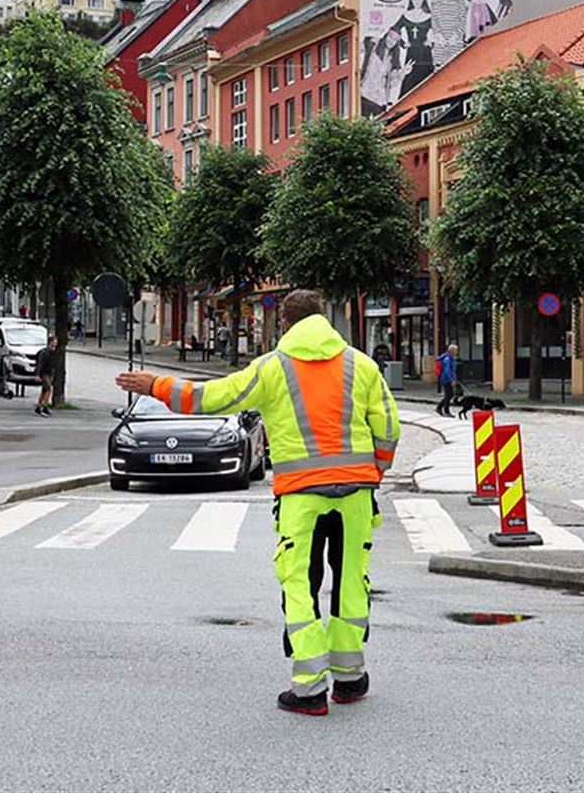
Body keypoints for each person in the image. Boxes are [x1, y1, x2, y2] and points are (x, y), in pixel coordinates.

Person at [115, 289, 400, 716]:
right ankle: (350, 677)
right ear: (322, 318)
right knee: (351, 578)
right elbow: (388, 427)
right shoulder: (361, 366)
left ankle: (308, 688)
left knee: (300, 582)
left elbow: (212, 398)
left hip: (302, 496)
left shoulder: (273, 369)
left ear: (285, 324)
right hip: (356, 492)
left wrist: (156, 385)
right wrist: (373, 471)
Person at [34, 335, 57, 416]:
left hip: (49, 373)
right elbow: (40, 364)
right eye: (53, 345)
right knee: (48, 388)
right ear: (49, 343)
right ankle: (44, 406)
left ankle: (39, 406)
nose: (54, 347)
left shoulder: (52, 353)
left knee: (44, 390)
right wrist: (37, 375)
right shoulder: (44, 353)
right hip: (44, 373)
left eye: (55, 345)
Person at [437, 343, 459, 417]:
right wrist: (451, 380)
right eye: (456, 350)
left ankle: (440, 408)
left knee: (449, 395)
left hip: (446, 378)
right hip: (446, 379)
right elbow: (447, 371)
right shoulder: (447, 359)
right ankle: (445, 410)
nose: (457, 352)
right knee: (449, 395)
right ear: (452, 351)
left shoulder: (449, 358)